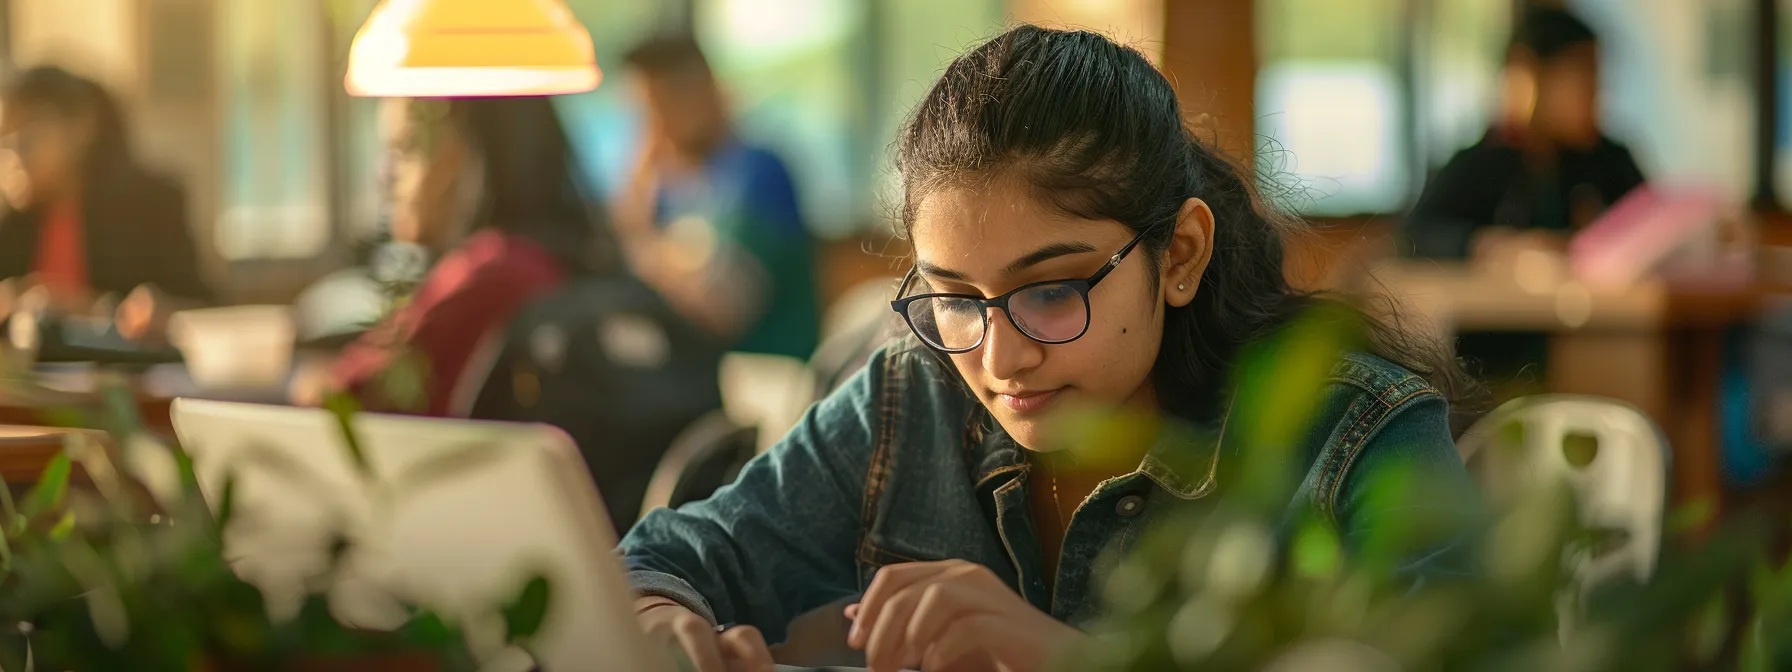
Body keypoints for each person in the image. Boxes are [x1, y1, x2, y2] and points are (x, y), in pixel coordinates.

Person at [619, 25, 1477, 672]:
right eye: (955, 299)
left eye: (1052, 292)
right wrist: (659, 624)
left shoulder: (1349, 431)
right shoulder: (912, 396)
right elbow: (661, 558)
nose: (999, 360)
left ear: (1178, 255)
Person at [323, 96, 606, 415]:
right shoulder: (567, 259)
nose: (386, 177)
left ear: (462, 156)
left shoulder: (490, 271)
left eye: (405, 148)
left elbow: (350, 399)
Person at [614, 34, 821, 360]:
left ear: (706, 91)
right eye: (644, 112)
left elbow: (723, 309)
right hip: (699, 378)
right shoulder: (666, 189)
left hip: (767, 374)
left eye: (663, 105)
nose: (656, 126)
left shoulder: (757, 172)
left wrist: (642, 241)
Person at [1404, 5, 1646, 260]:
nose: (1596, 93)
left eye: (1597, 79)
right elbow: (1414, 234)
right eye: (1583, 76)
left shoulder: (1608, 160)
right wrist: (1490, 245)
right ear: (1532, 77)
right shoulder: (1484, 162)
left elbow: (1657, 228)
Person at [0, 66, 210, 338]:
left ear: (81, 127)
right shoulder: (10, 224)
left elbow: (203, 312)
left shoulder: (150, 206)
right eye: (2, 143)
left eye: (27, 138)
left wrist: (98, 308)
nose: (12, 158)